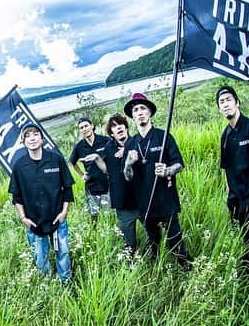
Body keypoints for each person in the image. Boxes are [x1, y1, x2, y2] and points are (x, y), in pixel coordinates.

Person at [123, 93, 193, 267]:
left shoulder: (163, 136)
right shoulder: (131, 144)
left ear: (150, 112)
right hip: (144, 202)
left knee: (175, 239)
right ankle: (158, 270)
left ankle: (185, 266)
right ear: (132, 116)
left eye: (143, 108)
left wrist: (168, 170)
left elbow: (179, 164)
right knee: (153, 241)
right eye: (135, 110)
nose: (139, 112)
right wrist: (128, 164)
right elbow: (127, 177)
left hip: (165, 198)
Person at [216, 85, 249, 291]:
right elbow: (226, 167)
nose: (226, 104)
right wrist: (229, 192)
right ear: (219, 108)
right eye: (222, 102)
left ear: (237, 103)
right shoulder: (226, 135)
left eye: (229, 99)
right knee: (241, 238)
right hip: (235, 197)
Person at [8, 123, 74, 283]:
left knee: (63, 252)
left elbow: (67, 188)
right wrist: (23, 218)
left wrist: (64, 212)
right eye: (27, 136)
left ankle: (66, 282)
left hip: (57, 218)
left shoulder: (56, 159)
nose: (32, 138)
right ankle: (47, 285)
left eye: (35, 134)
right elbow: (16, 196)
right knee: (40, 256)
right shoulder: (19, 166)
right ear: (23, 142)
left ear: (42, 138)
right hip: (34, 221)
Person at [83, 114, 139, 260]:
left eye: (120, 124)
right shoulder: (109, 147)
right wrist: (96, 158)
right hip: (122, 201)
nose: (118, 127)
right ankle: (130, 264)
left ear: (126, 127)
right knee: (129, 242)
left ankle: (156, 258)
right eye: (114, 126)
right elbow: (106, 169)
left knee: (154, 234)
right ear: (111, 133)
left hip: (142, 198)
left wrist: (126, 150)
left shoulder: (137, 142)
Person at [68, 116, 110, 224]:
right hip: (91, 186)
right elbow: (72, 162)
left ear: (92, 126)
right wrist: (82, 175)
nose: (84, 129)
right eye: (81, 128)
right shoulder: (79, 146)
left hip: (107, 184)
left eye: (86, 126)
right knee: (94, 217)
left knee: (109, 215)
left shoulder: (105, 140)